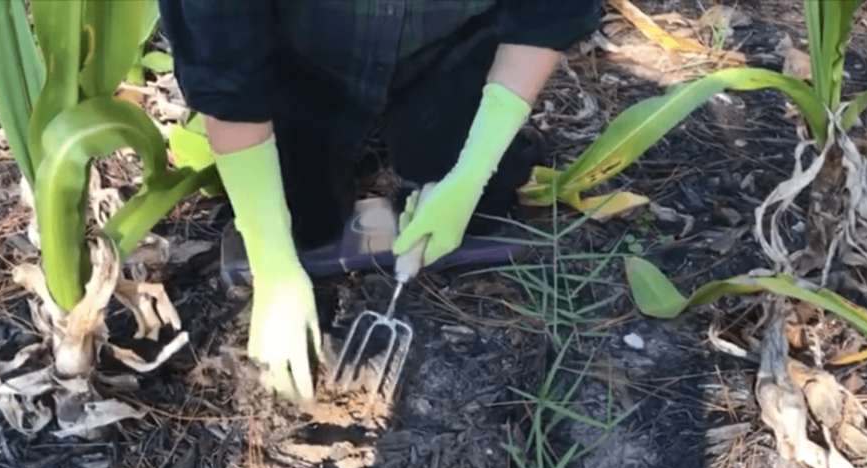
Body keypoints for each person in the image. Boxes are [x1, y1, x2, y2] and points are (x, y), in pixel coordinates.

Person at [159, 1, 602, 399]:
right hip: (299, 63)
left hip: (450, 52)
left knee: (481, 211)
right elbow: (224, 67)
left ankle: (447, 145)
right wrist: (272, 266)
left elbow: (547, 14)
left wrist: (471, 173)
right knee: (302, 227)